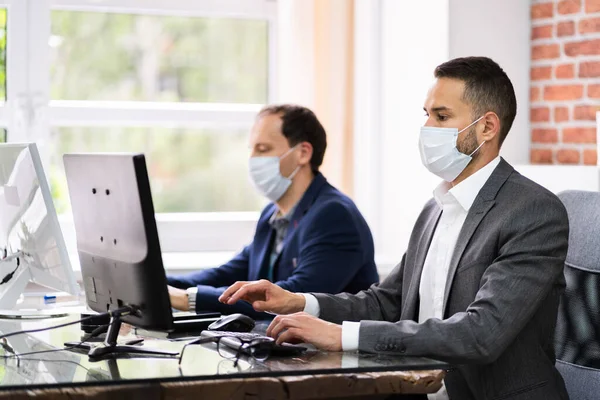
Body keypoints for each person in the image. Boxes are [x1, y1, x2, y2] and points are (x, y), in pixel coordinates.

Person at [219, 57, 570, 399]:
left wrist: (342, 336)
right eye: (427, 114)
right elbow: (386, 301)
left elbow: (481, 333)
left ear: (487, 127)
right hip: (417, 387)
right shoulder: (435, 208)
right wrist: (299, 302)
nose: (427, 128)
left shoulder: (533, 212)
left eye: (442, 116)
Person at [167, 104, 379, 319]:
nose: (252, 159)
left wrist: (188, 299)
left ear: (303, 153)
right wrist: (157, 284)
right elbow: (229, 273)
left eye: (263, 149)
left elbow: (291, 296)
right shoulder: (272, 213)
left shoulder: (334, 215)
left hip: (329, 350)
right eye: (252, 149)